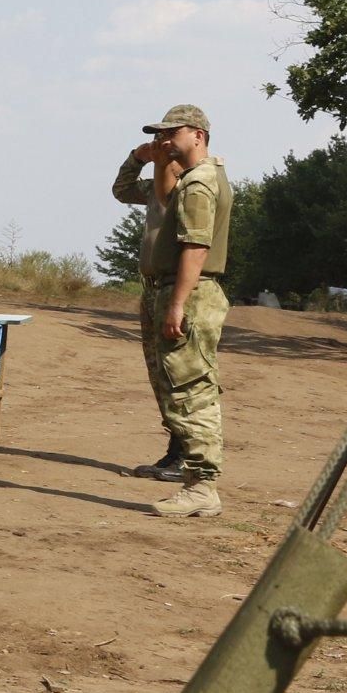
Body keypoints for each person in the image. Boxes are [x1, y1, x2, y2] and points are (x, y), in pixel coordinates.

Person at [122, 105, 233, 520]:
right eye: (161, 134)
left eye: (175, 132)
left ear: (199, 135)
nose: (166, 140)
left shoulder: (200, 182)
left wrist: (178, 304)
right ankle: (195, 480)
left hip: (188, 292)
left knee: (191, 391)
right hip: (171, 289)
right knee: (177, 387)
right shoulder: (190, 180)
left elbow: (196, 248)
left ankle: (202, 485)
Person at [112, 142, 185, 476]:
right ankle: (176, 448)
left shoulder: (194, 186)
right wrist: (138, 157)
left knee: (181, 374)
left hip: (178, 289)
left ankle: (190, 454)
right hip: (153, 289)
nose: (163, 148)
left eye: (168, 142)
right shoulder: (156, 187)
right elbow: (122, 190)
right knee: (160, 375)